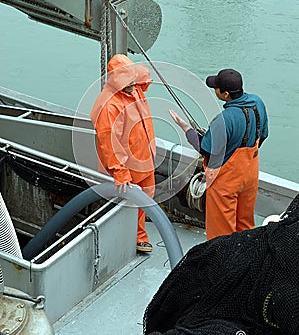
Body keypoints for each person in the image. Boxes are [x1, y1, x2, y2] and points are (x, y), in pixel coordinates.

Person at [169, 68, 268, 240]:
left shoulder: (225, 119)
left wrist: (186, 128)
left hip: (225, 182)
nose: (214, 90)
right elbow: (263, 135)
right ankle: (246, 260)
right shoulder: (258, 103)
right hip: (250, 175)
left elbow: (205, 149)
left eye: (216, 88)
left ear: (225, 94)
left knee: (221, 233)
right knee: (245, 226)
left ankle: (223, 264)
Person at [90, 54, 156, 253]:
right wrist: (120, 172)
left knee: (145, 200)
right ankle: (137, 237)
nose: (132, 85)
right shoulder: (109, 106)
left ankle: (138, 233)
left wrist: (135, 77)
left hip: (145, 160)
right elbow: (107, 142)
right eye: (127, 81)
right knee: (130, 205)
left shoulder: (134, 90)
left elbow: (144, 81)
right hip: (128, 167)